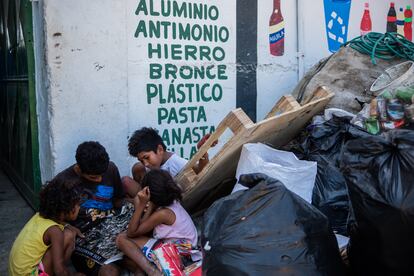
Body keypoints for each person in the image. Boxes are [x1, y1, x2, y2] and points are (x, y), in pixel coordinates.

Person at [56, 141, 124, 276]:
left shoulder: (110, 169)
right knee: (110, 273)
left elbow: (118, 200)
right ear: (79, 169)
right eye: (93, 177)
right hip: (86, 238)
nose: (99, 180)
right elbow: (50, 217)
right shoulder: (63, 182)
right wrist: (67, 226)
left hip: (113, 228)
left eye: (101, 175)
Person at [116, 169, 200, 275]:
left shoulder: (164, 214)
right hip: (184, 247)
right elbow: (143, 227)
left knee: (121, 239)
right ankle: (146, 270)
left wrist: (141, 205)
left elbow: (131, 233)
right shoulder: (170, 198)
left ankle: (153, 272)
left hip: (182, 253)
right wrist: (150, 204)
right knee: (129, 259)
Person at [9, 175, 84, 276]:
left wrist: (69, 226)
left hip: (17, 273)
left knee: (68, 232)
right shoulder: (55, 231)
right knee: (68, 236)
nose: (80, 207)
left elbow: (62, 223)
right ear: (69, 208)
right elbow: (59, 270)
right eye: (78, 205)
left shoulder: (39, 216)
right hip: (29, 274)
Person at [123, 127, 215, 199]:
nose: (146, 164)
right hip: (151, 197)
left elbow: (200, 170)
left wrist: (203, 150)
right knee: (132, 173)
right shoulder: (145, 167)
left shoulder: (175, 163)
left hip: (166, 204)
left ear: (160, 149)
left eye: (147, 158)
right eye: (141, 160)